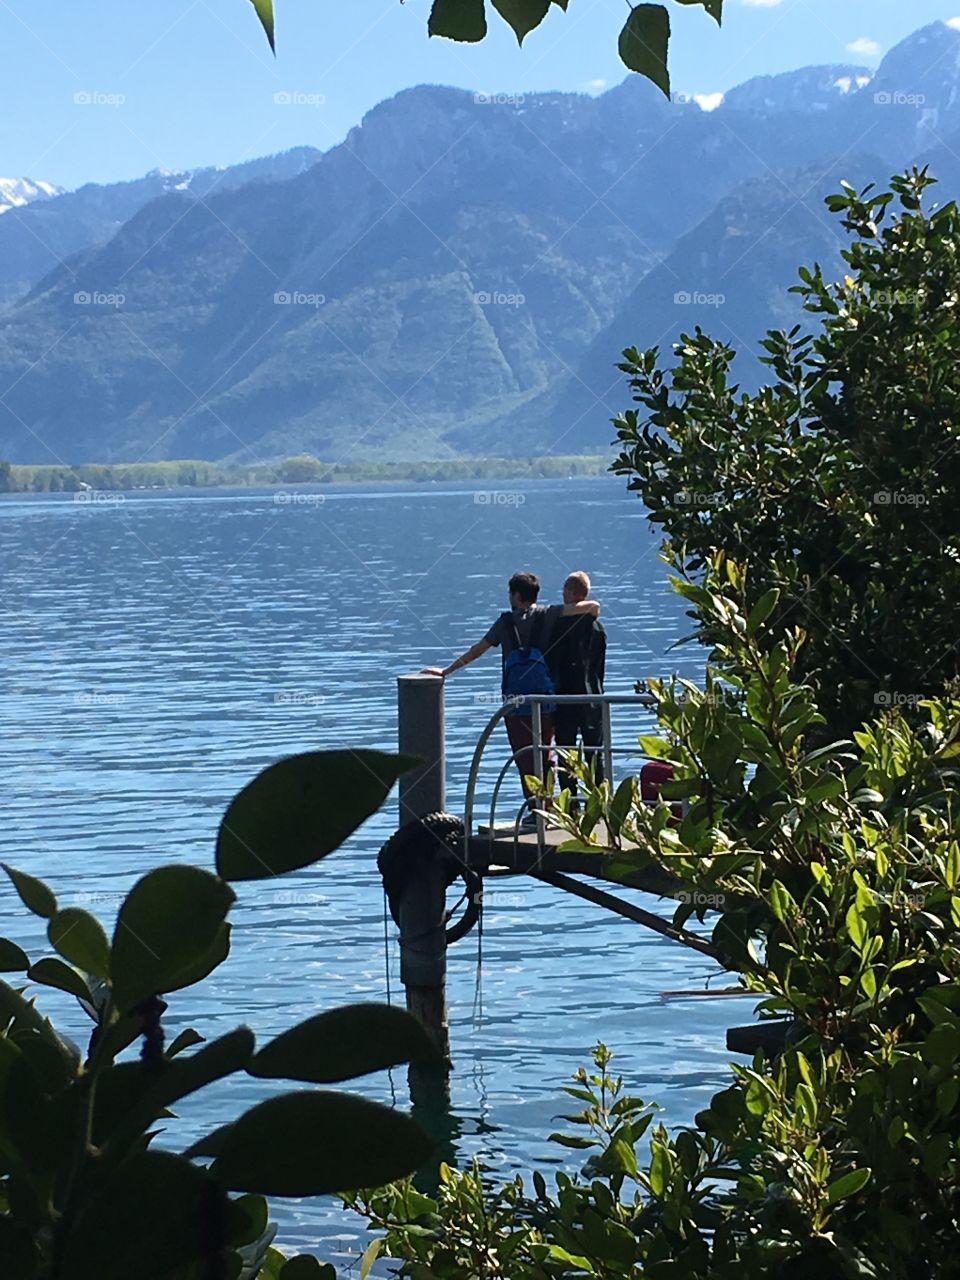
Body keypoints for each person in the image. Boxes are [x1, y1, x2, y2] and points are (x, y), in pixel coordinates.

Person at [421, 572, 600, 821]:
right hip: (545, 701)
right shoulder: (548, 614)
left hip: (516, 703)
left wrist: (446, 671)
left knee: (524, 756)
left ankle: (537, 810)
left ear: (516, 595)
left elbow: (478, 650)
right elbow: (590, 607)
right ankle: (556, 807)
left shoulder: (504, 624)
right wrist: (591, 607)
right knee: (547, 752)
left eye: (510, 593)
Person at [549, 571, 607, 797]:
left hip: (566, 697)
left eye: (565, 589)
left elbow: (554, 662)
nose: (562, 593)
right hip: (593, 696)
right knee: (595, 753)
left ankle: (570, 803)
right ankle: (599, 801)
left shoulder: (561, 626)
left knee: (566, 752)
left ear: (573, 593)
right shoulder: (597, 628)